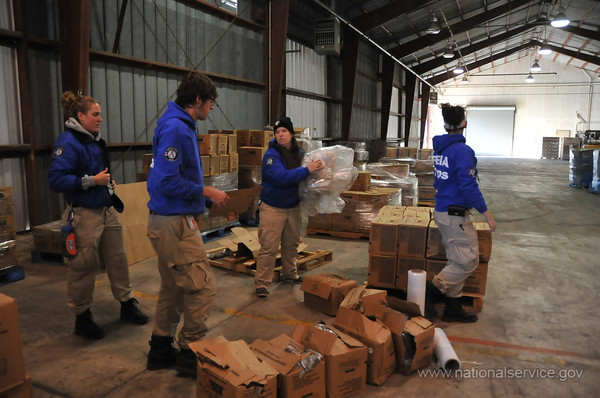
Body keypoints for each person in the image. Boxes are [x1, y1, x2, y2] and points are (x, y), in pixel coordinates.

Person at [145, 72, 229, 377]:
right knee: (201, 286)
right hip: (174, 225)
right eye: (211, 103)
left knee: (174, 287)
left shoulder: (179, 126)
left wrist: (202, 203)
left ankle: (160, 348)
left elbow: (178, 177)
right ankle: (191, 352)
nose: (211, 109)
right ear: (197, 100)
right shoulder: (176, 130)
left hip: (172, 219)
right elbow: (166, 180)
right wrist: (206, 191)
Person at [48, 91, 148, 340]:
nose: (100, 118)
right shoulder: (68, 142)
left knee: (118, 259)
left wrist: (107, 183)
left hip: (105, 210)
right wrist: (92, 180)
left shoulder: (94, 141)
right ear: (80, 116)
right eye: (95, 114)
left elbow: (98, 172)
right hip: (84, 214)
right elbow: (56, 179)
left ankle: (126, 304)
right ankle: (82, 318)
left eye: (100, 114)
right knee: (83, 265)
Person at [426, 103, 497, 323]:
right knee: (467, 261)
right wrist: (487, 214)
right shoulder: (462, 151)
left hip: (443, 211)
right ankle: (429, 292)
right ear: (465, 124)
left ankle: (453, 307)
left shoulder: (441, 147)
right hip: (454, 214)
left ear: (445, 125)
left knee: (456, 259)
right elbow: (469, 186)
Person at [254, 117, 324, 298]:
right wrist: (308, 169)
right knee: (269, 247)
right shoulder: (271, 156)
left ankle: (289, 274)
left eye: (284, 131)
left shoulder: (299, 153)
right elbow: (281, 178)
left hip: (292, 206)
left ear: (291, 134)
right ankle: (262, 283)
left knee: (291, 244)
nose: (280, 135)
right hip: (273, 207)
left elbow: (307, 175)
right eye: (277, 132)